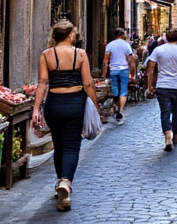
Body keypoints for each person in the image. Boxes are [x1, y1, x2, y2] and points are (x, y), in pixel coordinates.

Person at [32, 19, 96, 212]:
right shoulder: (80, 54)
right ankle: (66, 182)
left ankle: (61, 181)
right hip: (75, 103)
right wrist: (95, 104)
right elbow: (88, 83)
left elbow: (42, 83)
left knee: (58, 145)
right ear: (70, 35)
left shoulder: (46, 55)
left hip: (54, 104)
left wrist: (36, 109)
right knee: (72, 146)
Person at [145, 28, 177, 152]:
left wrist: (150, 84)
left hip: (163, 86)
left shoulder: (158, 50)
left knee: (165, 112)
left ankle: (167, 136)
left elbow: (150, 67)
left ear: (166, 37)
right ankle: (175, 136)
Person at [102, 28, 136, 125]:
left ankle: (117, 108)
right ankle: (120, 111)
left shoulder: (109, 45)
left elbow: (106, 61)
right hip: (124, 69)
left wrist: (104, 75)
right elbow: (131, 59)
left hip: (113, 70)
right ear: (121, 34)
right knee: (123, 90)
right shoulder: (126, 45)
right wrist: (132, 73)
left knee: (115, 91)